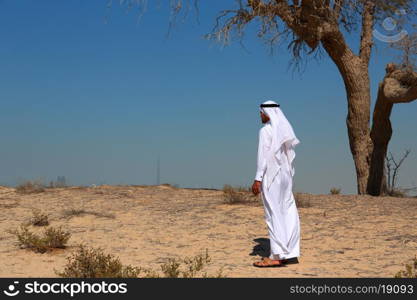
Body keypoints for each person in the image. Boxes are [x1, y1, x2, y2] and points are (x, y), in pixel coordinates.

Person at [252, 100, 301, 268]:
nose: (260, 115)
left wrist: (258, 178)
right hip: (286, 177)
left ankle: (277, 255)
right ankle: (290, 252)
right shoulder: (284, 130)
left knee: (274, 214)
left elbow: (263, 156)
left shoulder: (265, 131)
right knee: (287, 211)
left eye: (261, 112)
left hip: (272, 176)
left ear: (267, 113)